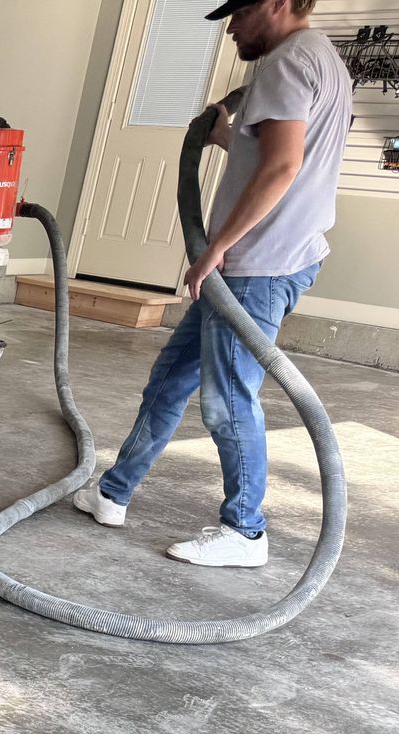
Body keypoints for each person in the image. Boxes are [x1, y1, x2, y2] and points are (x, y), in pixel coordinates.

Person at [71, 0, 351, 568]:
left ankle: (245, 531)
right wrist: (227, 136)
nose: (231, 28)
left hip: (256, 265)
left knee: (227, 401)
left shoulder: (286, 63)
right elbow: (280, 155)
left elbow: (283, 167)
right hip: (265, 259)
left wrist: (215, 248)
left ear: (276, 3)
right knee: (171, 377)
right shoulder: (321, 57)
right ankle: (113, 493)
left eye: (240, 12)